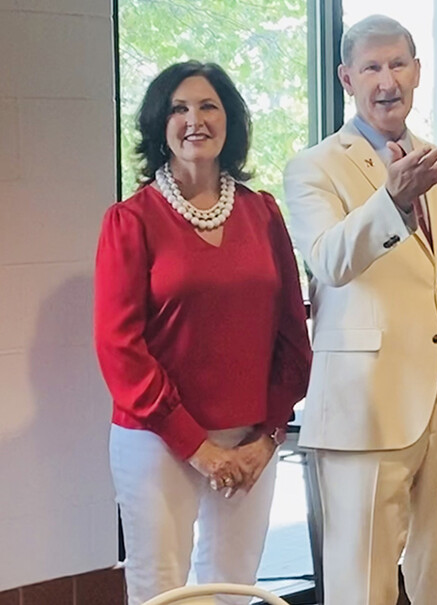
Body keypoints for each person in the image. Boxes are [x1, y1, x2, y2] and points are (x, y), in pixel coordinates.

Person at [282, 14, 437, 605]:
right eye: (372, 67)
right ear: (346, 78)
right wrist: (392, 201)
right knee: (363, 583)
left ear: (418, 72)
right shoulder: (315, 167)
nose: (388, 80)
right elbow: (329, 261)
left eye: (398, 64)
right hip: (366, 404)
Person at [94, 61, 312, 605]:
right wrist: (199, 449)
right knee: (159, 588)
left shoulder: (263, 214)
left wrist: (268, 437)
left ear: (228, 121)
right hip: (158, 441)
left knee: (235, 587)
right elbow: (120, 350)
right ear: (159, 125)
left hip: (251, 442)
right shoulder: (131, 220)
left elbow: (292, 332)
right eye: (179, 108)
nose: (195, 119)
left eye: (208, 106)